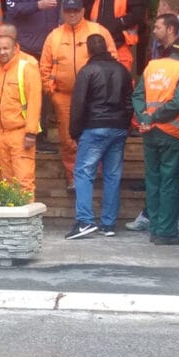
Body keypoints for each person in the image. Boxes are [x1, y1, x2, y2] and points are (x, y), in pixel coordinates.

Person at [40, 0, 116, 190]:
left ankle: (92, 174)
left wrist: (105, 90)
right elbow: (44, 67)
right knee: (68, 138)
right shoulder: (54, 36)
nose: (72, 14)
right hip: (64, 96)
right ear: (63, 12)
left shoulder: (98, 31)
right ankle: (73, 177)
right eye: (68, 11)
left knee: (94, 135)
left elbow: (112, 59)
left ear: (83, 10)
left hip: (94, 97)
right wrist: (51, 91)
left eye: (76, 10)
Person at [65, 34, 132, 239]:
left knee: (84, 173)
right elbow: (130, 102)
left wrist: (74, 131)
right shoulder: (123, 70)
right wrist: (125, 126)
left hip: (94, 127)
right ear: (107, 48)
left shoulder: (87, 72)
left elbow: (78, 106)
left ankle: (85, 221)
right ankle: (108, 224)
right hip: (118, 128)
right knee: (112, 176)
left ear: (88, 50)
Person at [132, 19, 179, 244]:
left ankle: (155, 226)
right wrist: (156, 117)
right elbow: (178, 103)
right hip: (171, 133)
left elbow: (137, 95)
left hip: (149, 132)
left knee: (153, 180)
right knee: (169, 182)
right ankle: (165, 231)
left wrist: (145, 117)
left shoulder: (151, 66)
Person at [0, 34, 42, 195]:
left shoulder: (26, 69)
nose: (2, 52)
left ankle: (26, 220)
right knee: (6, 182)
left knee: (24, 180)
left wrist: (31, 133)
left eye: (5, 48)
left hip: (20, 134)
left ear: (16, 49)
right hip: (0, 134)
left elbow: (34, 102)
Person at [82, 0, 146, 74]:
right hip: (95, 48)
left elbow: (138, 14)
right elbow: (80, 11)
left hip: (119, 46)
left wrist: (116, 24)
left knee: (120, 86)